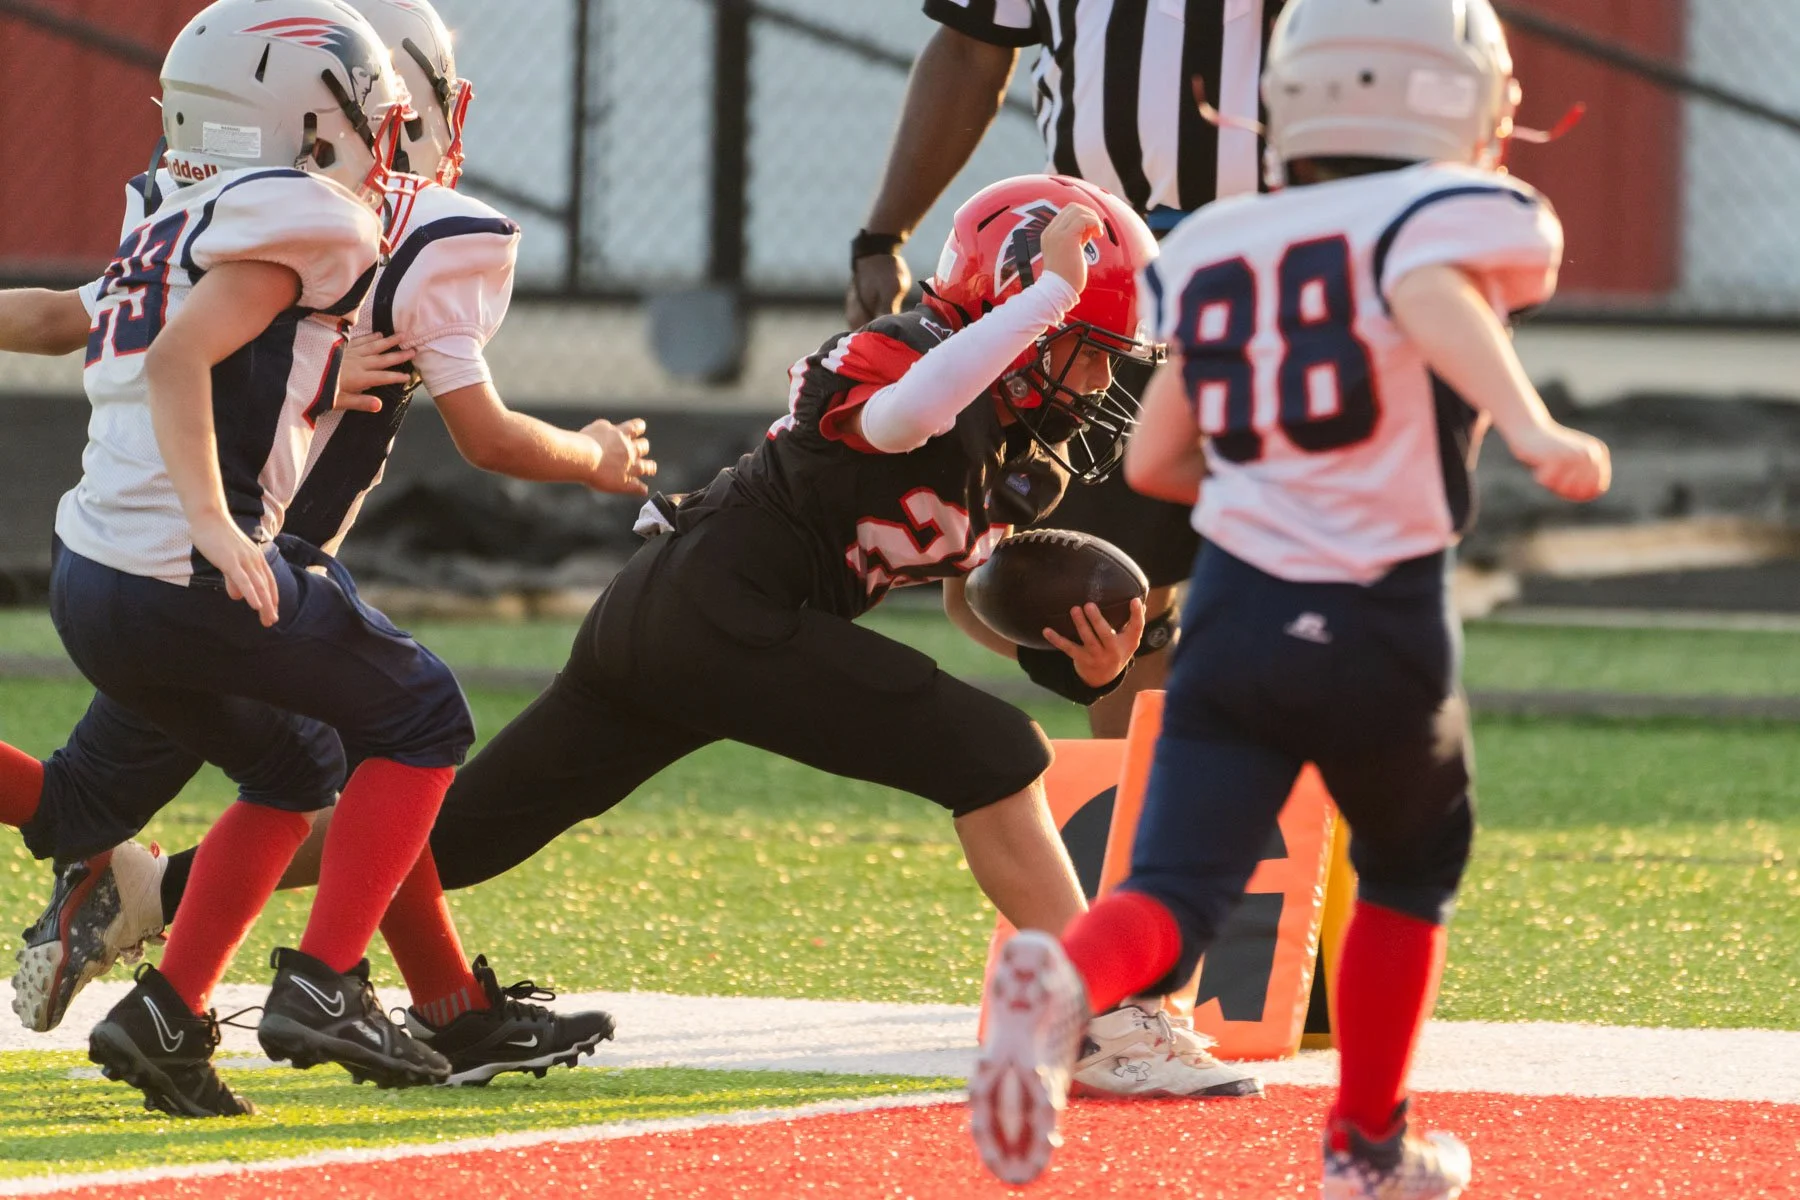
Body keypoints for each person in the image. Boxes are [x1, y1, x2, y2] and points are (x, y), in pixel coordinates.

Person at [146, 173, 1260, 1103]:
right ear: (1022, 310)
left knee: (460, 837)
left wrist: (1065, 657)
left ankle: (151, 893)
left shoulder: (1026, 447)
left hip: (692, 623)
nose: (1106, 378)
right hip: (719, 607)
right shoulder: (899, 351)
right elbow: (902, 420)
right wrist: (1046, 301)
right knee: (994, 754)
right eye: (1090, 345)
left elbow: (958, 582)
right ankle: (1102, 1016)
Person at [969, 0, 1613, 1193]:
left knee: (1171, 892)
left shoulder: (1222, 246)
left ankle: (1064, 982)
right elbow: (1426, 285)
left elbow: (1160, 460)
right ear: (1459, 96)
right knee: (1412, 865)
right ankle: (1368, 1149)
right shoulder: (1451, 220)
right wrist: (1528, 422)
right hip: (1379, 615)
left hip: (1232, 619)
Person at [0, 0, 643, 1088]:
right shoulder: (373, 222)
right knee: (414, 721)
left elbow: (87, 317)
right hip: (234, 567)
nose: (397, 125)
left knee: (303, 763)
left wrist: (296, 373)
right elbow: (199, 359)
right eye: (379, 102)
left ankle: (221, 1009)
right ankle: (328, 988)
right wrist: (591, 457)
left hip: (100, 561)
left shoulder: (177, 204)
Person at [849, 0, 1280, 738]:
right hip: (1109, 276)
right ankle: (1139, 833)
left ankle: (1316, 836)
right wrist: (883, 233)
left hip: (1298, 267)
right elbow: (970, 49)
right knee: (1102, 594)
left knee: (1320, 583)